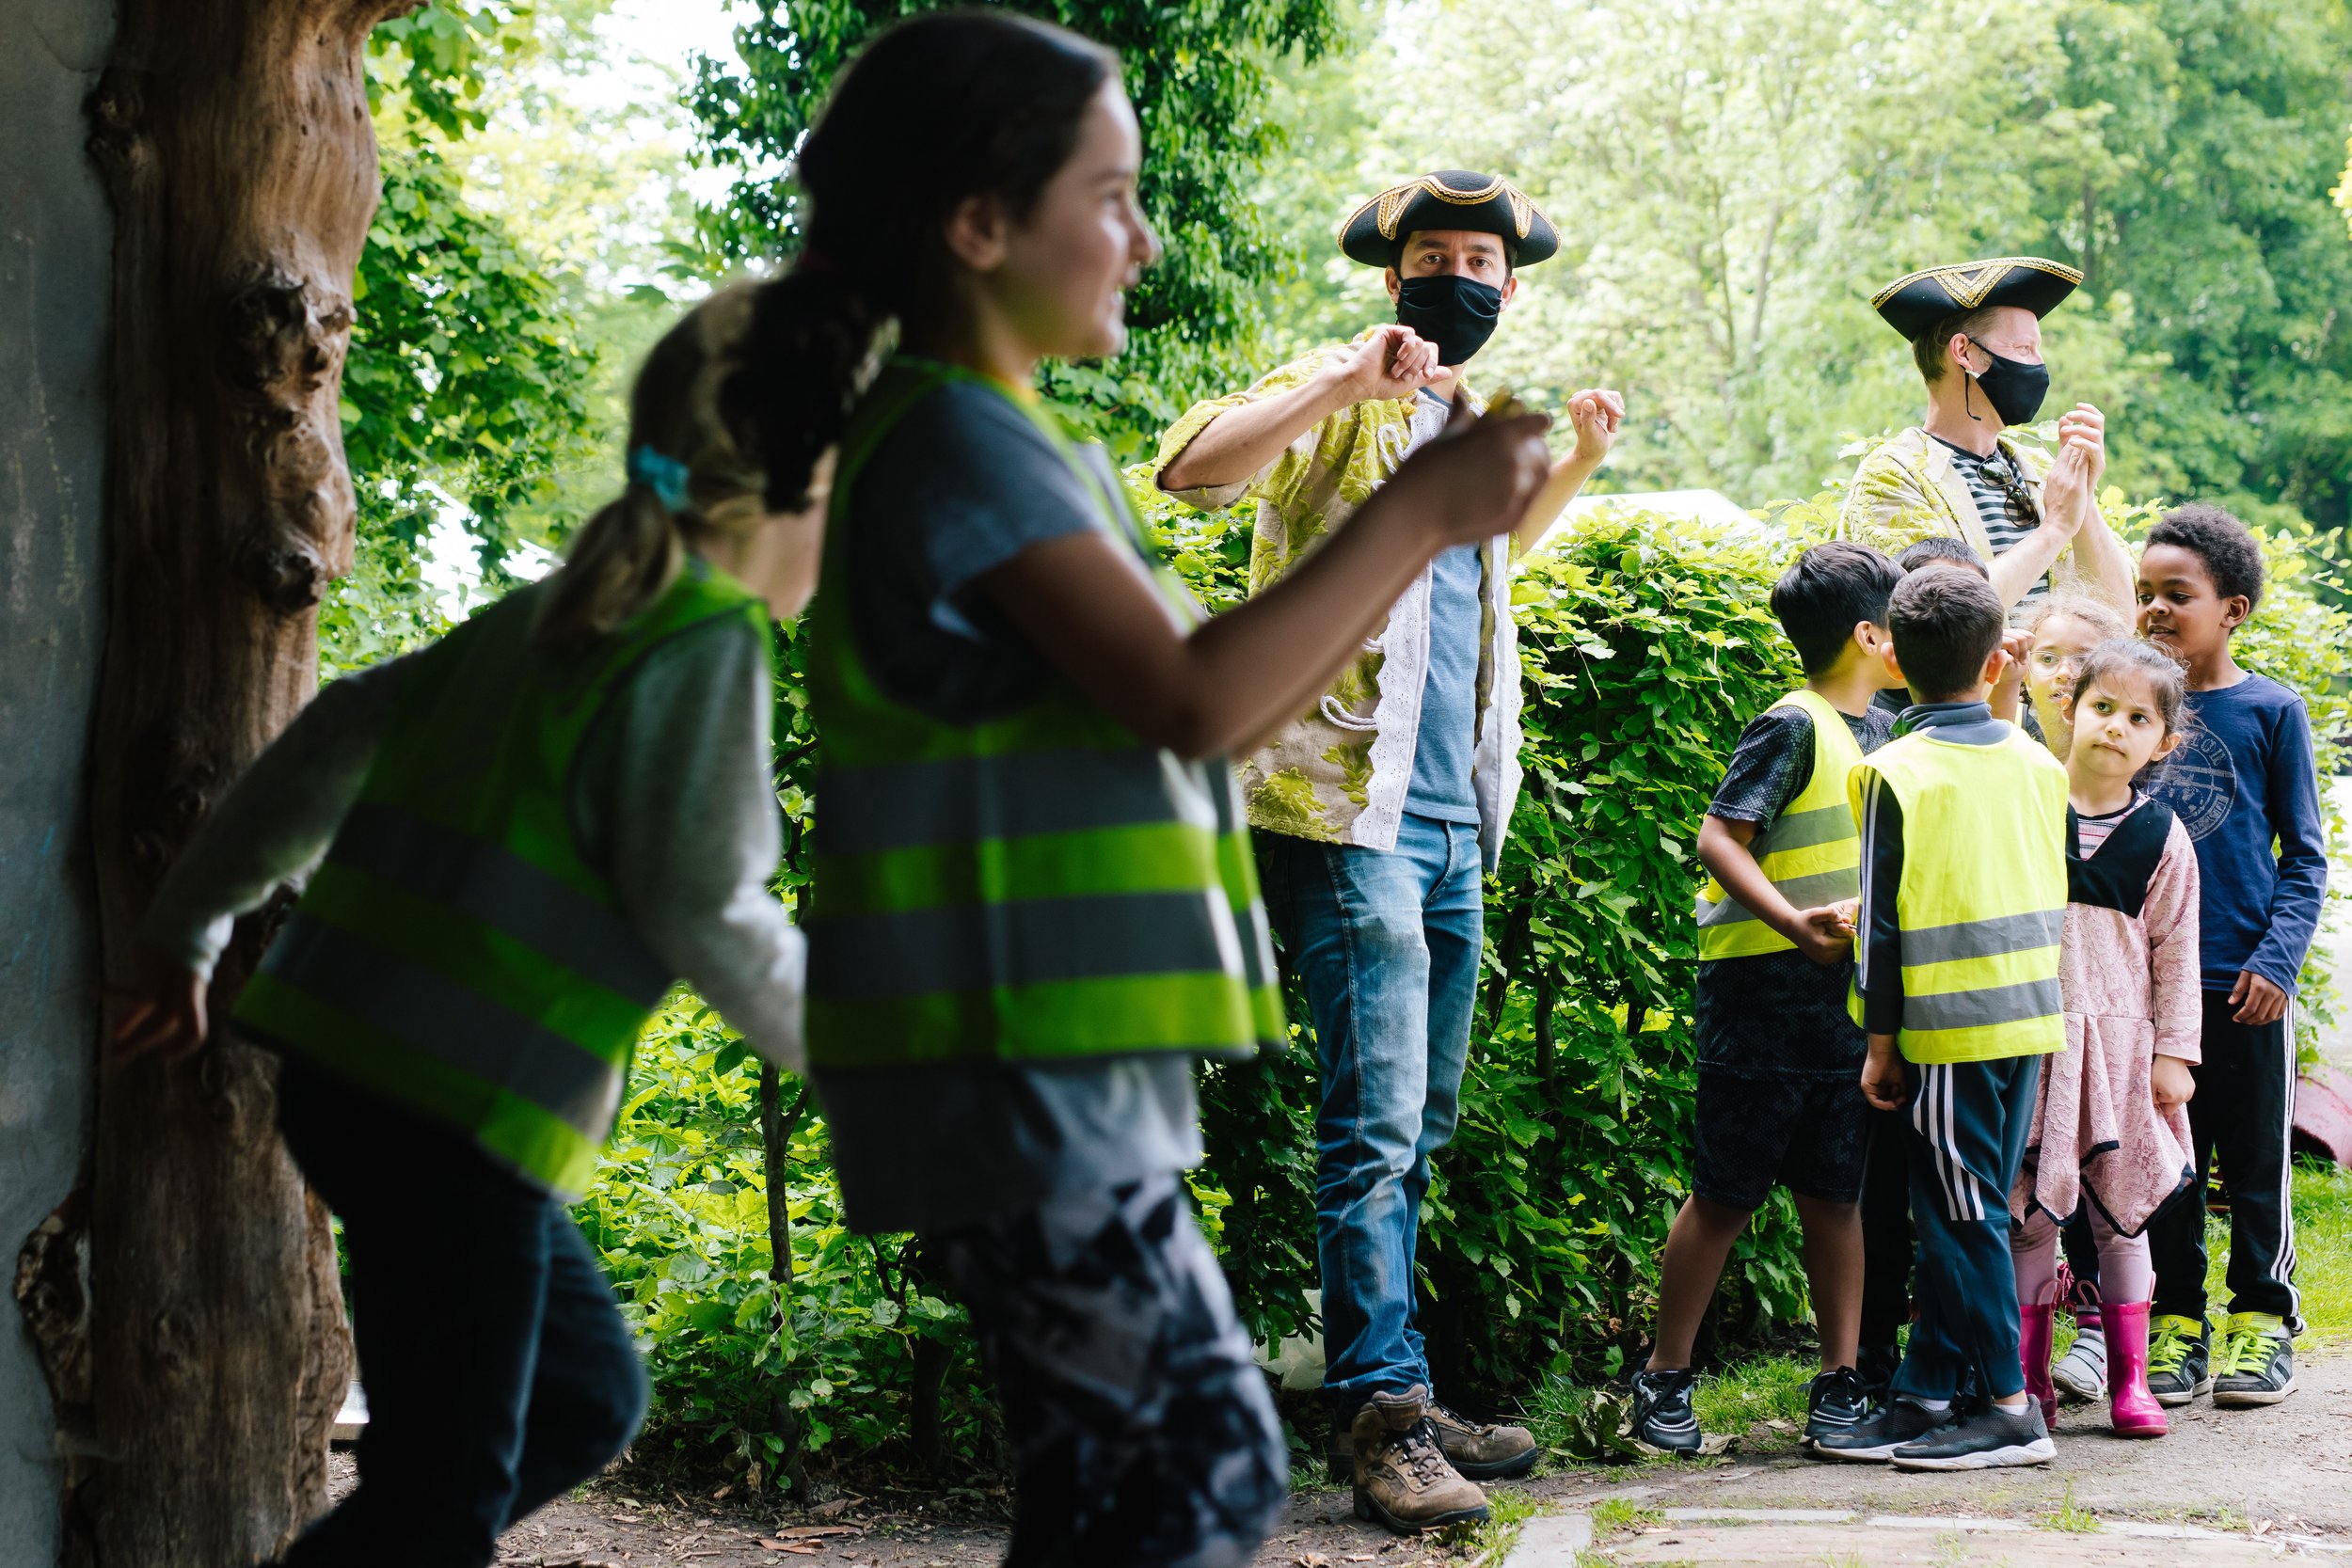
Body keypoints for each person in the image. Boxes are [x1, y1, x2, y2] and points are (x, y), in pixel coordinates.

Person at [724, 18, 1557, 1555]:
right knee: (1186, 1472)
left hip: (1068, 1064)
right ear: (978, 223)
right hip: (1026, 1061)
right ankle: (1383, 1406)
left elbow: (1202, 691)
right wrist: (1414, 511)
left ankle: (1384, 1399)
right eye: (1111, 197)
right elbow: (1192, 702)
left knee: (1142, 1481)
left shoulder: (997, 439)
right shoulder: (962, 443)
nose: (1147, 238)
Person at [108, 287, 816, 1568]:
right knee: (440, 1496)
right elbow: (706, 905)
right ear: (791, 493)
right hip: (453, 1107)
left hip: (356, 1075)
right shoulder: (701, 642)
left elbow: (334, 731)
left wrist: (188, 921)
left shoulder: (555, 615)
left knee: (583, 1399)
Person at [1150, 170, 1624, 1524]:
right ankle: (1383, 1418)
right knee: (1370, 1125)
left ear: (1509, 288)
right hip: (1340, 813)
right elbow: (1190, 468)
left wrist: (1578, 461)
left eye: (1479, 261)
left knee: (1419, 1120)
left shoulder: (1467, 423)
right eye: (1434, 257)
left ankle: (1400, 1381)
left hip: (1451, 818)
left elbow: (1490, 556)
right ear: (1392, 276)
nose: (1455, 278)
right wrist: (1341, 381)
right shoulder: (1345, 391)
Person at [1629, 543, 1905, 1458]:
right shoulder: (1793, 724)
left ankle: (1840, 1379)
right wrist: (1791, 921)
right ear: (1868, 634)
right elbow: (1719, 836)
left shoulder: (1890, 729)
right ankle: (1664, 1374)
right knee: (1726, 1193)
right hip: (1760, 1002)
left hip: (1848, 1006)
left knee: (1835, 1196)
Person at [1813, 568, 2069, 1471]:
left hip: (1947, 1031)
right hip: (2028, 1019)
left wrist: (1879, 1043)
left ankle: (2009, 1408)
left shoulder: (1892, 771)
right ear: (1997, 662)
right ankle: (1924, 1392)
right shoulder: (2040, 763)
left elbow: (1880, 925)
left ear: (1892, 656)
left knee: (1961, 1219)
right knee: (1969, 1209)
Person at [2135, 505, 2328, 1409]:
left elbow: (2305, 856)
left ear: (2233, 609)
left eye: (2177, 594)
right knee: (2167, 1163)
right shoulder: (2132, 709)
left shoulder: (2272, 710)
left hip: (2245, 984)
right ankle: (2176, 1320)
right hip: (2149, 990)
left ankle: (2262, 1317)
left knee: (2253, 1164)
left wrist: (2277, 962)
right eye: (2145, 593)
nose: (2156, 609)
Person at [2010, 638, 2201, 1439]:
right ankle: (2028, 1386)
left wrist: (2174, 1053)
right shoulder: (2027, 804)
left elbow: (2177, 949)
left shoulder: (2164, 835)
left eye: (2138, 718)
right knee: (2029, 1217)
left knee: (2122, 1219)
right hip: (2031, 1042)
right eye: (2102, 707)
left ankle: (2131, 1382)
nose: (2116, 727)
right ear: (2068, 708)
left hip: (2120, 1055)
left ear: (2164, 742)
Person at [1840, 257, 2132, 621]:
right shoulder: (1891, 478)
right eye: (2023, 349)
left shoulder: (2043, 470)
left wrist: (2082, 499)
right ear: (1964, 352)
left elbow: (2120, 617)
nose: (2038, 365)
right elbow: (1940, 618)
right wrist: (2055, 527)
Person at [2019, 594, 2134, 762]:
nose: (2064, 673)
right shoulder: (2009, 746)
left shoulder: (2128, 756)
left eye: (2083, 660)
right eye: (2047, 659)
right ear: (2027, 678)